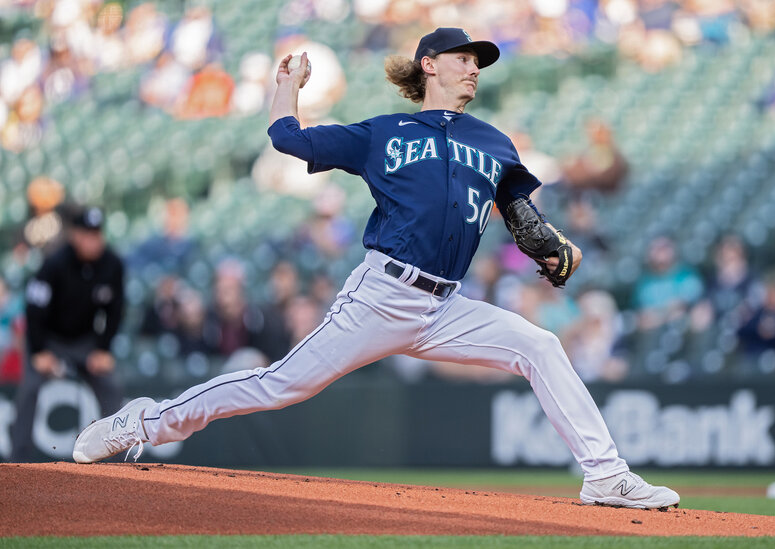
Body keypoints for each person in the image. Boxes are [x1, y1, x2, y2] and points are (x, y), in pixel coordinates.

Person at [73, 28, 678, 510]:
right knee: (281, 386)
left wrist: (545, 245)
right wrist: (287, 86)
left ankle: (606, 477)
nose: (474, 68)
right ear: (429, 66)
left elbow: (522, 217)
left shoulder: (495, 142)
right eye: (464, 58)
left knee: (541, 346)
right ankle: (144, 421)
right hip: (382, 294)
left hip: (446, 306)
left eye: (479, 62)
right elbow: (290, 139)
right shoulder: (383, 134)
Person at [11, 206, 125, 461]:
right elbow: (34, 309)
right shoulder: (55, 263)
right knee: (29, 389)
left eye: (96, 234)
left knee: (111, 384)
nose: (92, 240)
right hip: (50, 339)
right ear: (75, 235)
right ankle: (17, 462)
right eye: (86, 234)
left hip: (85, 340)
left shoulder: (112, 265)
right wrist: (39, 351)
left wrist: (104, 349)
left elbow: (116, 311)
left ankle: (120, 460)